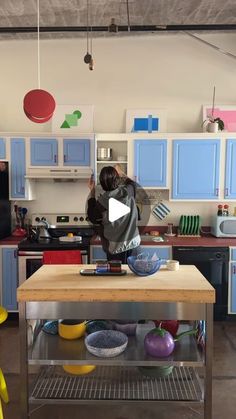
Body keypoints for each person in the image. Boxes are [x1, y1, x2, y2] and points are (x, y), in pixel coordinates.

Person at [87, 165, 140, 263]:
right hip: (133, 244)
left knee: (117, 277)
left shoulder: (101, 203)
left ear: (102, 184)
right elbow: (132, 183)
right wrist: (121, 173)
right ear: (118, 180)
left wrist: (92, 190)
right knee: (133, 275)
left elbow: (92, 217)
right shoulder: (128, 191)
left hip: (115, 249)